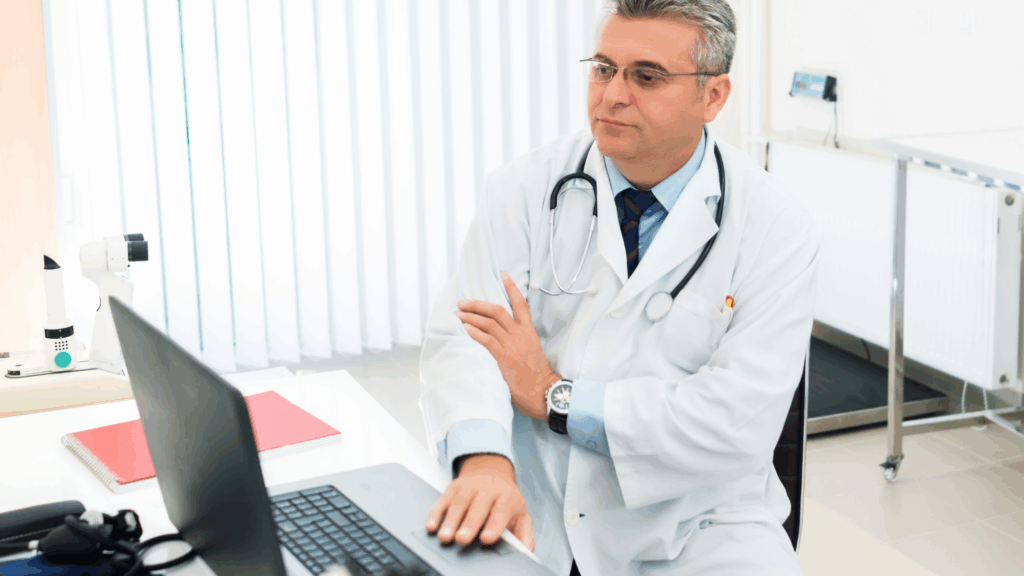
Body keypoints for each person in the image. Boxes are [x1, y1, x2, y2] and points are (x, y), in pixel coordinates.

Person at [418, 1, 820, 574]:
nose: (611, 95)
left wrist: (554, 396)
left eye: (646, 76)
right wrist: (484, 461)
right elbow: (466, 337)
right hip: (534, 498)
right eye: (604, 68)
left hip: (697, 526)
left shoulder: (776, 229)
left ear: (713, 96)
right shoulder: (524, 189)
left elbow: (734, 420)